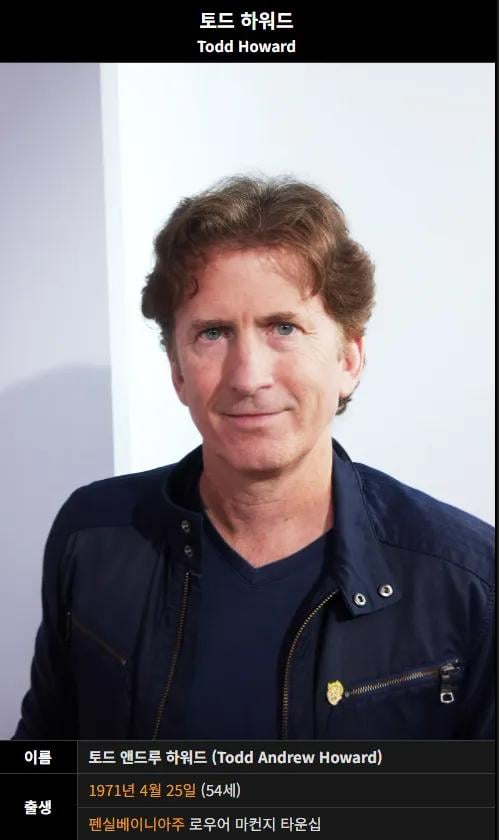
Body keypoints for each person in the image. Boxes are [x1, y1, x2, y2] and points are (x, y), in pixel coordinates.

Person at [14, 175, 494, 740]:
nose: (248, 377)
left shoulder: (466, 578)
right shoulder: (92, 536)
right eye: (213, 333)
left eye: (283, 327)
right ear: (177, 372)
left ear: (348, 359)